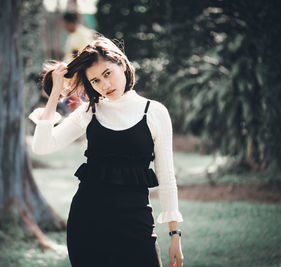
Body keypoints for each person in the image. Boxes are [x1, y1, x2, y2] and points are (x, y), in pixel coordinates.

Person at [28, 37, 184, 267]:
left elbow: (167, 177)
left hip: (136, 223)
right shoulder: (90, 111)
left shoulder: (154, 112)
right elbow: (42, 146)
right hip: (88, 222)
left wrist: (175, 235)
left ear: (121, 63)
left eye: (107, 74)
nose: (104, 85)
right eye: (95, 80)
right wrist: (55, 95)